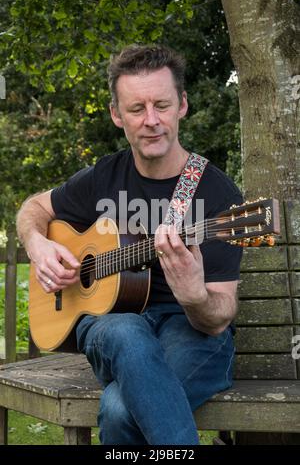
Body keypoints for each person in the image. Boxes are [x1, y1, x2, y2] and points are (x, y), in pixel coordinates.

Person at [17, 44, 243, 445]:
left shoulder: (218, 196)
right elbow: (33, 207)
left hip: (190, 330)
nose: (152, 120)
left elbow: (219, 317)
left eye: (162, 105)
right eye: (137, 109)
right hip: (111, 326)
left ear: (182, 106)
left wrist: (194, 297)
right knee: (124, 329)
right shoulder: (103, 176)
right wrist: (37, 244)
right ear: (116, 115)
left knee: (121, 410)